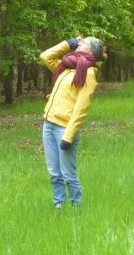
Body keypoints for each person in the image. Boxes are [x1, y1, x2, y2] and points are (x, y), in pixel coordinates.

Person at [39, 36, 105, 209]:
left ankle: (77, 209)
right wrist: (68, 44)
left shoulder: (88, 73)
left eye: (84, 42)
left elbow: (81, 108)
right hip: (48, 125)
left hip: (64, 128)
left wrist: (68, 135)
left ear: (91, 51)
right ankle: (58, 207)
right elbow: (45, 56)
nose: (79, 43)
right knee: (54, 174)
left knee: (68, 174)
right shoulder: (65, 67)